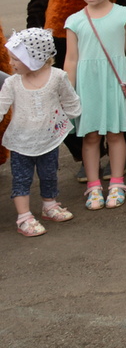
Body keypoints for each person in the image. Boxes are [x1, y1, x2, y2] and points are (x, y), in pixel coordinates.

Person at [64, 0, 126, 211]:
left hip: (114, 83)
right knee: (90, 136)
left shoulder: (123, 14)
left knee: (115, 133)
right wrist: (67, 91)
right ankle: (93, 186)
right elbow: (71, 59)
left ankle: (117, 182)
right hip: (87, 86)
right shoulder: (74, 21)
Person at [0, 29, 80, 236]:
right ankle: (24, 217)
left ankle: (49, 205)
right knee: (21, 179)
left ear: (34, 58)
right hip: (21, 142)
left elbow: (70, 98)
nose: (11, 63)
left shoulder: (57, 77)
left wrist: (71, 115)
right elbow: (1, 105)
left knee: (49, 174)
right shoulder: (12, 83)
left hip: (49, 139)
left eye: (16, 59)